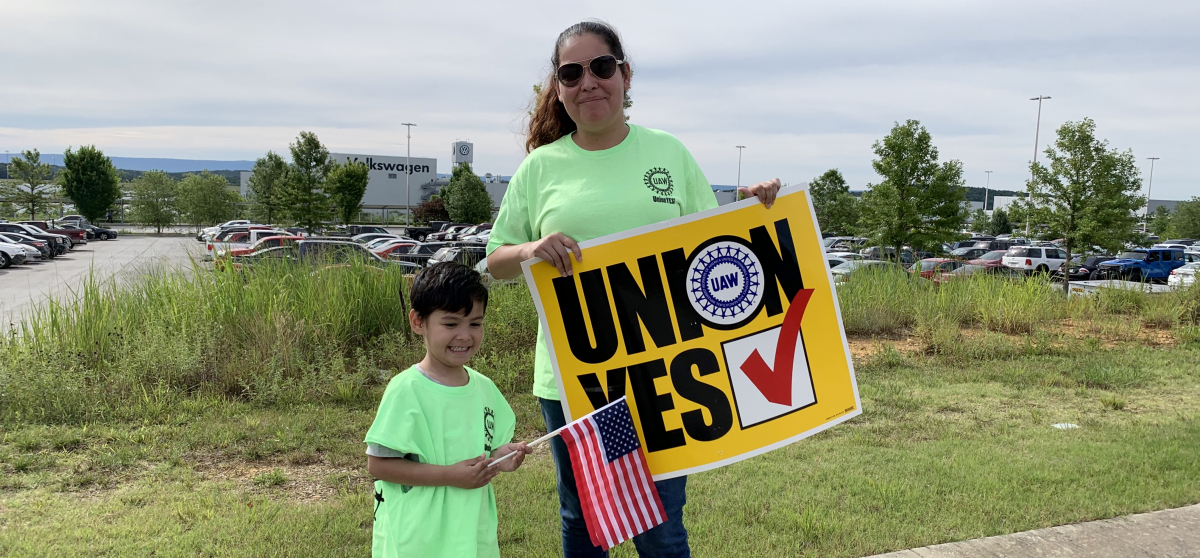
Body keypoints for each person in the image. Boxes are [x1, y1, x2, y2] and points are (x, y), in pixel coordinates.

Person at [486, 20, 781, 558]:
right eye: (572, 73)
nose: (589, 82)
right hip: (578, 378)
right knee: (585, 519)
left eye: (601, 67)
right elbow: (495, 260)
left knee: (662, 524)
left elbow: (714, 250)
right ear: (559, 88)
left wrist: (755, 210)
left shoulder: (668, 153)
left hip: (666, 370)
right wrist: (530, 250)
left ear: (624, 74)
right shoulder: (539, 168)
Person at [364, 262, 531, 558]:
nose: (465, 335)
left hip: (471, 531)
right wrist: (449, 475)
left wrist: (498, 458)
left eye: (475, 324)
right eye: (451, 324)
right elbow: (379, 465)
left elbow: (483, 448)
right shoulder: (406, 390)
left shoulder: (484, 388)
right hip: (418, 538)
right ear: (418, 322)